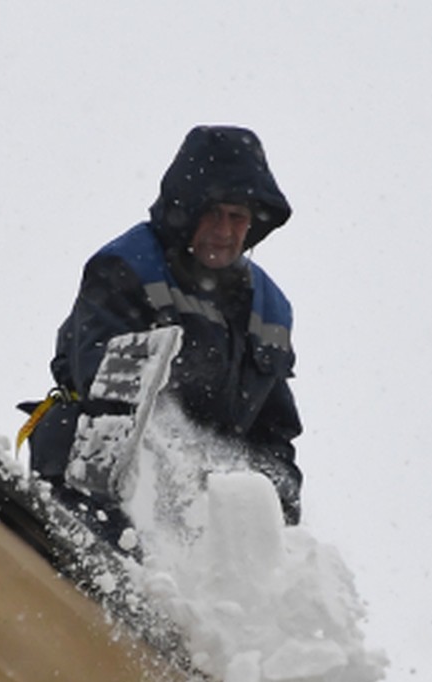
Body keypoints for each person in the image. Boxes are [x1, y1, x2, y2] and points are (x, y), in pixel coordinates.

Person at [21, 125, 303, 532]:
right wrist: (185, 467)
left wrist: (277, 504)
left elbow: (275, 434)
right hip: (100, 483)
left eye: (237, 218)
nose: (224, 232)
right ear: (187, 208)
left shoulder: (270, 309)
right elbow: (108, 391)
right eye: (213, 213)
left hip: (210, 518)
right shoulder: (128, 266)